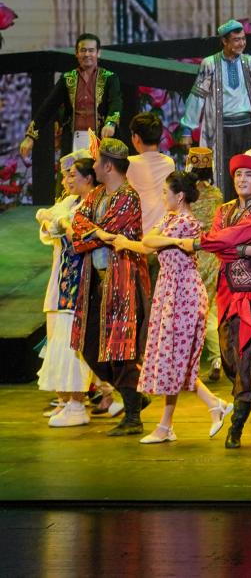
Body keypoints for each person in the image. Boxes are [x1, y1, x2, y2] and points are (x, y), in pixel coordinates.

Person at [181, 148, 251, 448]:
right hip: (227, 288)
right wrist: (246, 249)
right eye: (239, 174)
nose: (242, 179)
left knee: (246, 359)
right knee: (230, 361)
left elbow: (229, 238)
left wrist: (205, 243)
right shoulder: (225, 210)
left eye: (249, 175)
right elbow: (221, 242)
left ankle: (236, 431)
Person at [112, 172, 233, 443]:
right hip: (169, 291)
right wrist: (127, 242)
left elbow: (149, 243)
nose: (163, 197)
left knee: (175, 360)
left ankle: (176, 421)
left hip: (183, 293)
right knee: (174, 360)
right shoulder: (169, 219)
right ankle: (207, 408)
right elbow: (149, 242)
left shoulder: (187, 223)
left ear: (179, 196)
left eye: (166, 192)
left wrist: (165, 241)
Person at [69, 138, 151, 436]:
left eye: (96, 162)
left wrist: (93, 233)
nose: (92, 166)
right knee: (89, 346)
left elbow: (107, 230)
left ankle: (133, 416)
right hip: (96, 279)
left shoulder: (128, 197)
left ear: (107, 166)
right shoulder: (96, 195)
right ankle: (134, 395)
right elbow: (78, 225)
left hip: (122, 280)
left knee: (121, 349)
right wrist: (96, 233)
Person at [180, 19, 251, 200]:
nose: (241, 43)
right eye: (236, 40)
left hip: (248, 129)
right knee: (224, 174)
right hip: (222, 132)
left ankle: (250, 210)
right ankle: (227, 212)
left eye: (243, 39)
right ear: (224, 41)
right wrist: (187, 129)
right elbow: (197, 96)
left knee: (250, 172)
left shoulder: (250, 62)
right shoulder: (210, 64)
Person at [37, 151, 96, 427]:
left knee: (72, 342)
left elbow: (71, 232)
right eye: (66, 175)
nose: (68, 180)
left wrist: (58, 224)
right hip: (62, 278)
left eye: (73, 175)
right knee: (59, 338)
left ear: (88, 178)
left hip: (78, 280)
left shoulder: (91, 204)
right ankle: (68, 400)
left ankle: (77, 403)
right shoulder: (71, 202)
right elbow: (48, 223)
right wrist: (55, 223)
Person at [20, 33, 124, 160]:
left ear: (98, 53)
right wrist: (30, 136)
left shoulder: (110, 77)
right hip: (73, 139)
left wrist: (110, 123)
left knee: (100, 172)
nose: (87, 54)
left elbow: (116, 101)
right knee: (70, 172)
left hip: (102, 139)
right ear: (76, 53)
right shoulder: (67, 78)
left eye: (91, 50)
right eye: (83, 50)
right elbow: (48, 107)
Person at [186, 148, 225, 382]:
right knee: (212, 309)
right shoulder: (216, 194)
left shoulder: (187, 195)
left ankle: (188, 362)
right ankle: (217, 358)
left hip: (191, 254)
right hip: (212, 255)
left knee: (192, 309)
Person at [126, 112, 176, 235]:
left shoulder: (128, 164)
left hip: (137, 234)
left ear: (136, 138)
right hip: (163, 233)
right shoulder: (169, 163)